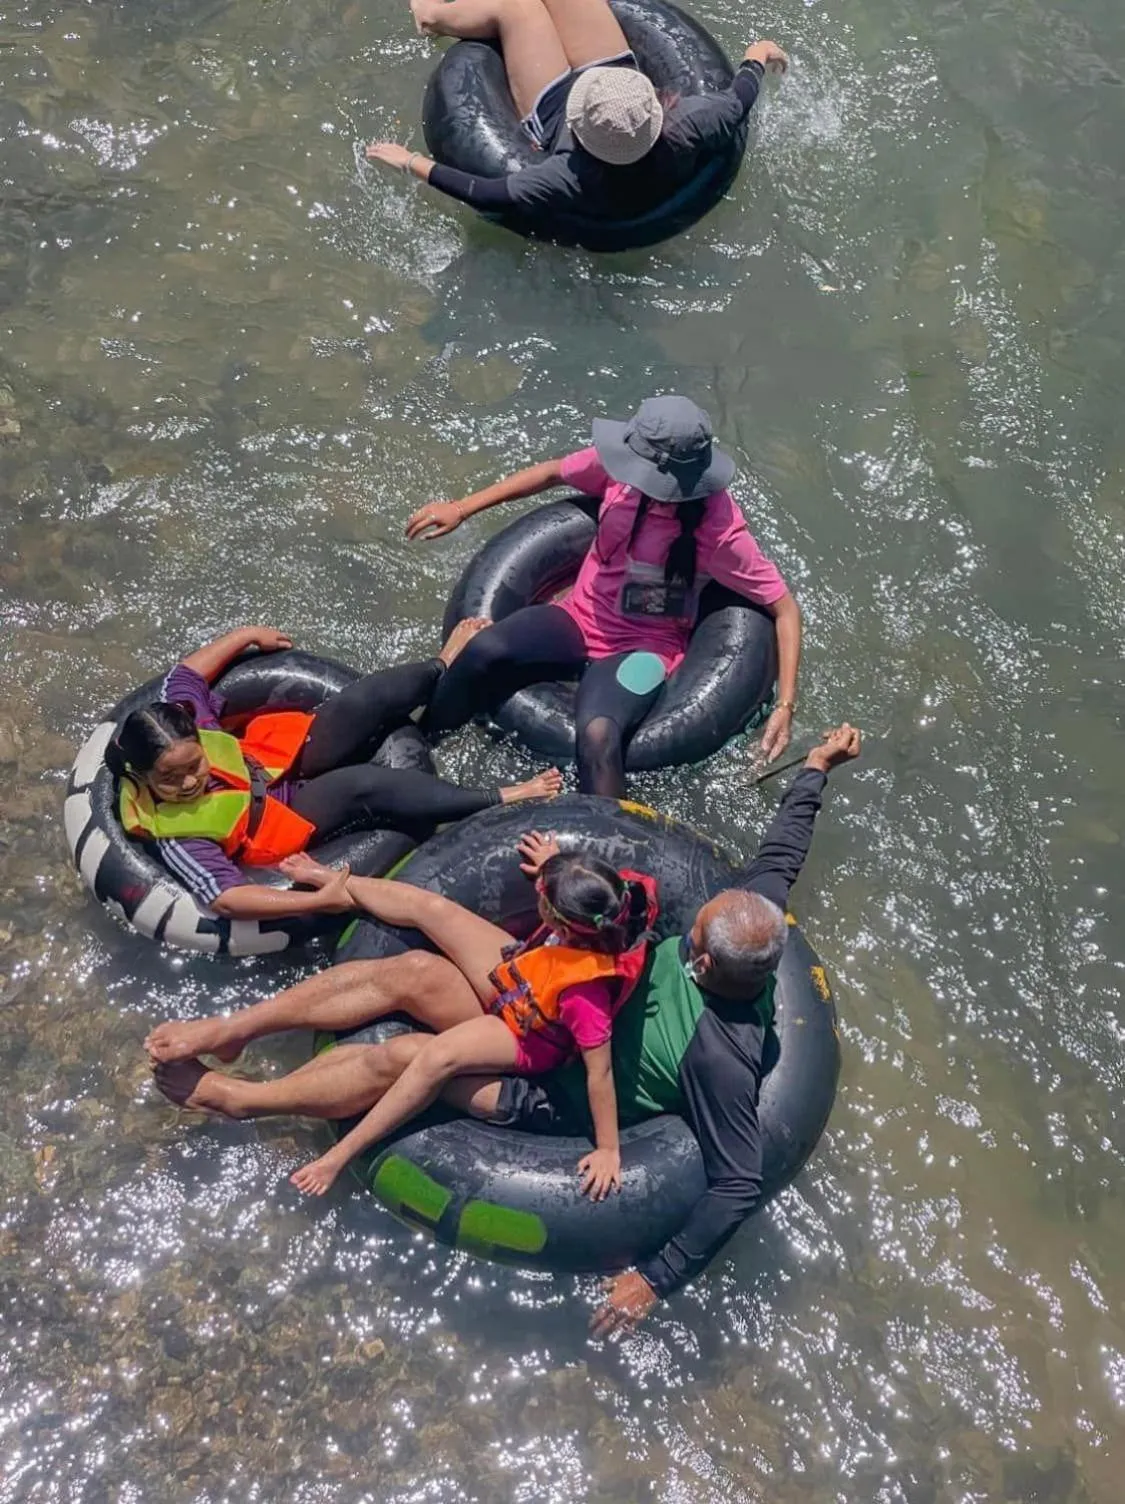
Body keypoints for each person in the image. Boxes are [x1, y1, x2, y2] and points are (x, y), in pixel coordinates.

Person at [145, 722, 860, 1329]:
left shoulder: (721, 1057)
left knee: (409, 1056)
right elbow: (781, 854)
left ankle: (245, 1100)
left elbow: (738, 1182)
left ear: (701, 960)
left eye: (692, 931)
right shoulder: (750, 918)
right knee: (413, 970)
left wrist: (655, 1279)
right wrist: (817, 769)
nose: (692, 917)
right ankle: (235, 1028)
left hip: (555, 1083)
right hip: (555, 996)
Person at [407, 394, 802, 794]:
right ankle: (415, 754)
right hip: (579, 617)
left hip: (643, 649)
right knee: (484, 648)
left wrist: (784, 706)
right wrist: (462, 508)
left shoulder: (719, 533)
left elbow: (784, 609)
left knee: (597, 735)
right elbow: (551, 473)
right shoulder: (620, 473)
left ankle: (613, 831)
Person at [109, 622, 560, 923]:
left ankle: (440, 664)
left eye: (193, 765)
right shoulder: (177, 836)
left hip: (268, 759)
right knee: (361, 785)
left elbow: (184, 676)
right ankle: (499, 797)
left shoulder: (188, 721)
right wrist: (312, 901)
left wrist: (245, 635)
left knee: (364, 700)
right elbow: (225, 898)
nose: (189, 783)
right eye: (169, 779)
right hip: (273, 820)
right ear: (143, 777)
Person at [366, 0, 787, 228]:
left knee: (518, 9)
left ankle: (430, 17)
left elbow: (487, 192)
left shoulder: (570, 175)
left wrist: (410, 161)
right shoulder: (693, 122)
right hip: (616, 74)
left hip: (553, 104)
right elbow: (742, 93)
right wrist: (760, 53)